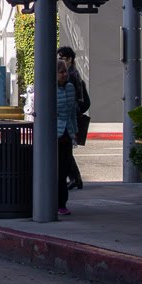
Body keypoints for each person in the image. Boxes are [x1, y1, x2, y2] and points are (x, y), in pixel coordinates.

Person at [57, 46, 91, 190]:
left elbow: (77, 99)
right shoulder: (73, 72)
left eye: (62, 58)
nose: (60, 61)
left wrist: (74, 115)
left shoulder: (70, 75)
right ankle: (75, 178)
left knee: (65, 152)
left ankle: (74, 178)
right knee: (66, 151)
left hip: (68, 117)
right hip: (70, 117)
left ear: (70, 59)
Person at [54, 59, 80, 216]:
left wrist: (74, 132)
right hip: (53, 136)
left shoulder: (70, 88)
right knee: (53, 171)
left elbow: (72, 113)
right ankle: (51, 201)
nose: (64, 74)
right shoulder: (48, 88)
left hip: (66, 135)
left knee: (63, 171)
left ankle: (62, 204)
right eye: (61, 72)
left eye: (65, 71)